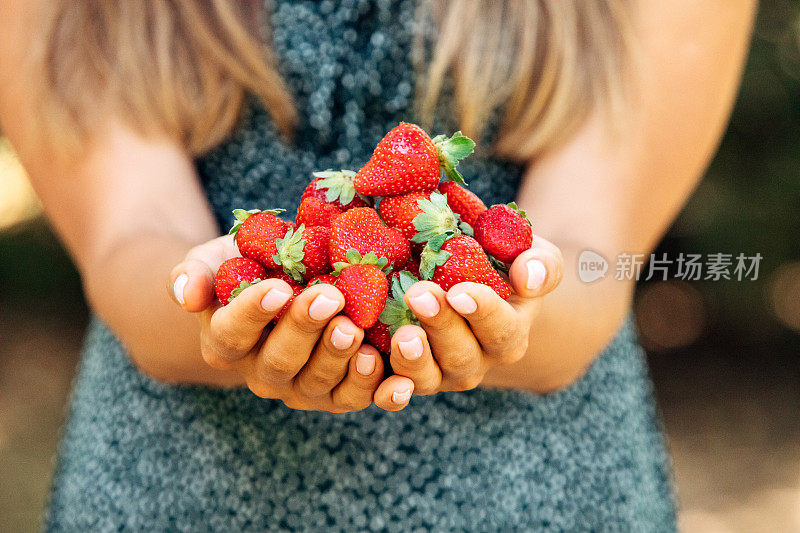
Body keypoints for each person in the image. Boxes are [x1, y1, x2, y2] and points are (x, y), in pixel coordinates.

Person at [0, 0, 755, 530]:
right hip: (172, 491)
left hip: (539, 494)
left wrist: (513, 298)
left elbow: (593, 252)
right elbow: (128, 233)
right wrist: (216, 301)